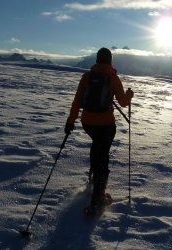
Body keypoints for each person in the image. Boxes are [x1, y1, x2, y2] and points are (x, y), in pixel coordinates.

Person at [65, 47, 134, 211]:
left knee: (97, 146)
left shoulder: (86, 77)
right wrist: (130, 95)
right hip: (106, 125)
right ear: (110, 61)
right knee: (102, 156)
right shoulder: (113, 78)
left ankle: (93, 177)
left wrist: (70, 121)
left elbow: (77, 101)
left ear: (96, 60)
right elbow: (123, 102)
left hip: (87, 123)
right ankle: (98, 198)